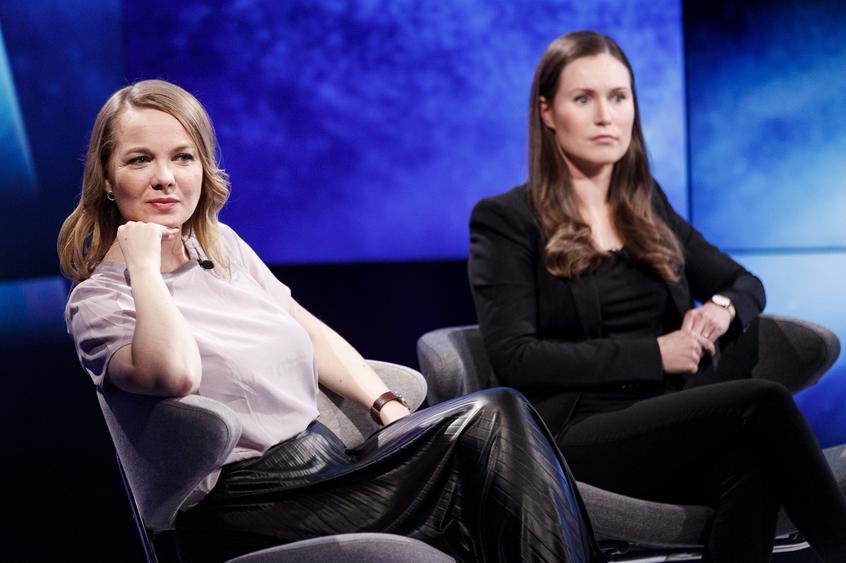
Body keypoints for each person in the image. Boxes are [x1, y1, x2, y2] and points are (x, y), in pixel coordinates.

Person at [59, 79, 605, 563]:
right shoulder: (99, 301)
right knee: (488, 430)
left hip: (325, 467)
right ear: (107, 178)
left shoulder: (221, 246)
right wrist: (143, 267)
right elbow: (172, 373)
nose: (165, 178)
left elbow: (304, 327)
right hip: (247, 505)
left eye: (182, 157)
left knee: (498, 422)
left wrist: (387, 408)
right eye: (139, 160)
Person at [468, 31, 846, 562]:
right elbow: (517, 357)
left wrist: (720, 309)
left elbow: (746, 284)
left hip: (665, 415)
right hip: (575, 432)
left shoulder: (647, 208)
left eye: (619, 97)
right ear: (548, 111)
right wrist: (657, 353)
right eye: (585, 99)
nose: (606, 116)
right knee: (762, 403)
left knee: (752, 465)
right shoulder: (506, 219)